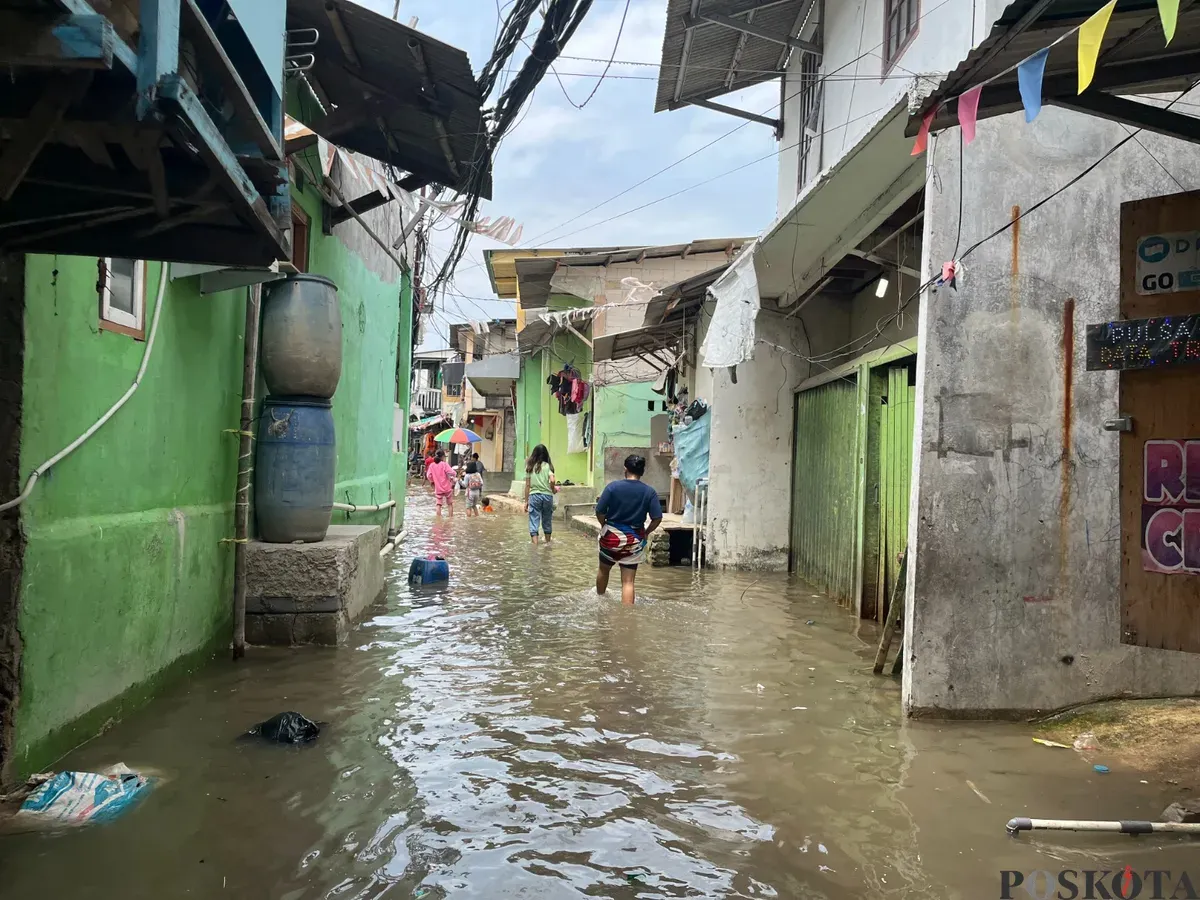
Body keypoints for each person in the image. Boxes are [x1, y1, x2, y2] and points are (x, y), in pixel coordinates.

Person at [595, 455, 663, 606]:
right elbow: (657, 518)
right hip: (633, 541)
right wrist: (646, 532)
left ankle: (599, 601)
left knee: (603, 570)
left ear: (625, 469)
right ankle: (627, 618)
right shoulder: (649, 492)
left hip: (611, 538)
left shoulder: (612, 487)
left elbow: (599, 511)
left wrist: (603, 525)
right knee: (628, 581)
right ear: (642, 471)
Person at [523, 444, 557, 545]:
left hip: (534, 496)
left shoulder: (530, 467)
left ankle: (535, 545)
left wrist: (526, 501)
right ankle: (547, 543)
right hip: (547, 496)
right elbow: (552, 480)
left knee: (534, 520)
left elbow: (527, 485)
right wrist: (552, 489)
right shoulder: (548, 466)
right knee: (547, 519)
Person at [426, 449, 457, 516]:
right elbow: (452, 473)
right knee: (450, 504)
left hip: (438, 488)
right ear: (443, 456)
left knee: (438, 504)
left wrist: (432, 481)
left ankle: (438, 520)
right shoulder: (444, 464)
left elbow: (428, 475)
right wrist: (455, 473)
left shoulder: (432, 466)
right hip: (447, 487)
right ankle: (450, 518)